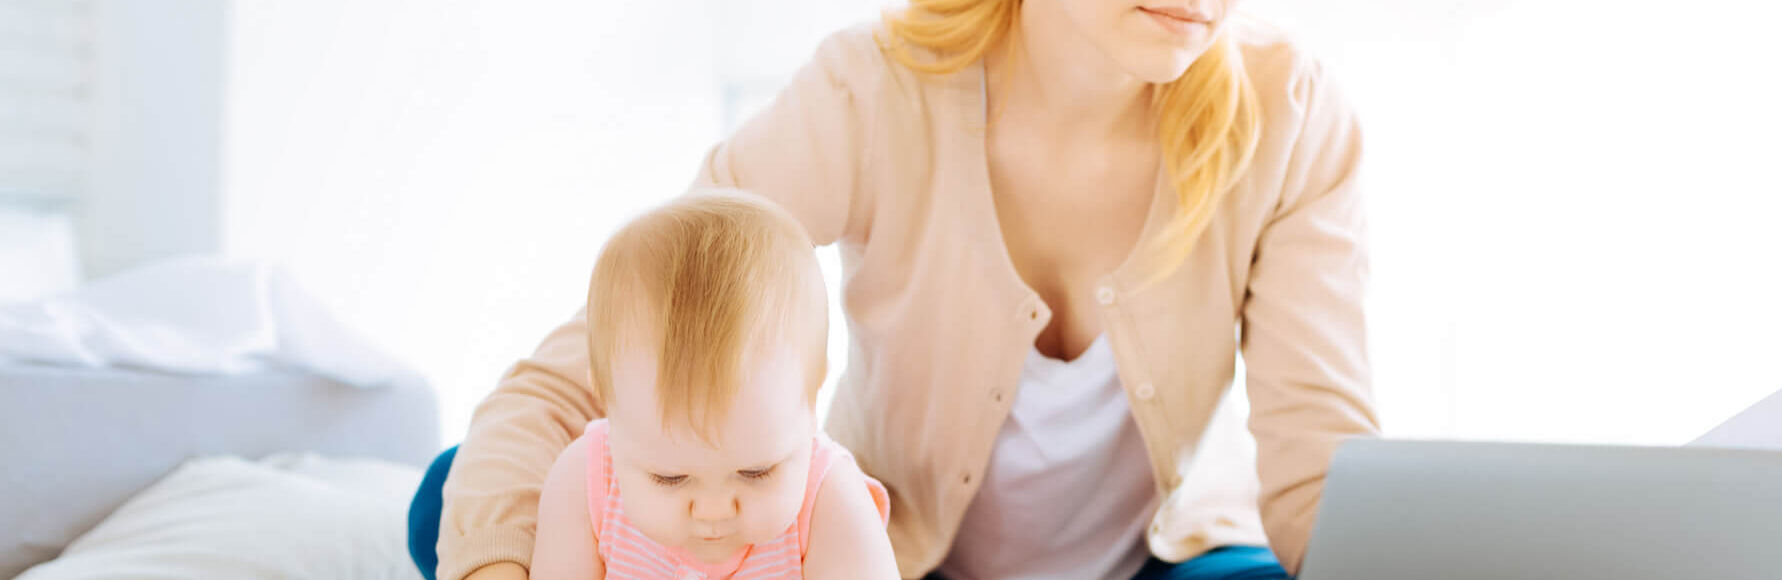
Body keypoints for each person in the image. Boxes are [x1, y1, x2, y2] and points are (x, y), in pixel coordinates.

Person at [414, 0, 1379, 578]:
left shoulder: (1293, 114)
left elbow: (1323, 478)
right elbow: (585, 378)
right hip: (897, 557)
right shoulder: (876, 89)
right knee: (457, 496)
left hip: (1174, 561)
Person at [524, 193, 894, 579]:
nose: (713, 512)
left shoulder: (831, 504)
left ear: (812, 397)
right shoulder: (585, 485)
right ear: (607, 405)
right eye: (670, 478)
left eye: (756, 472)